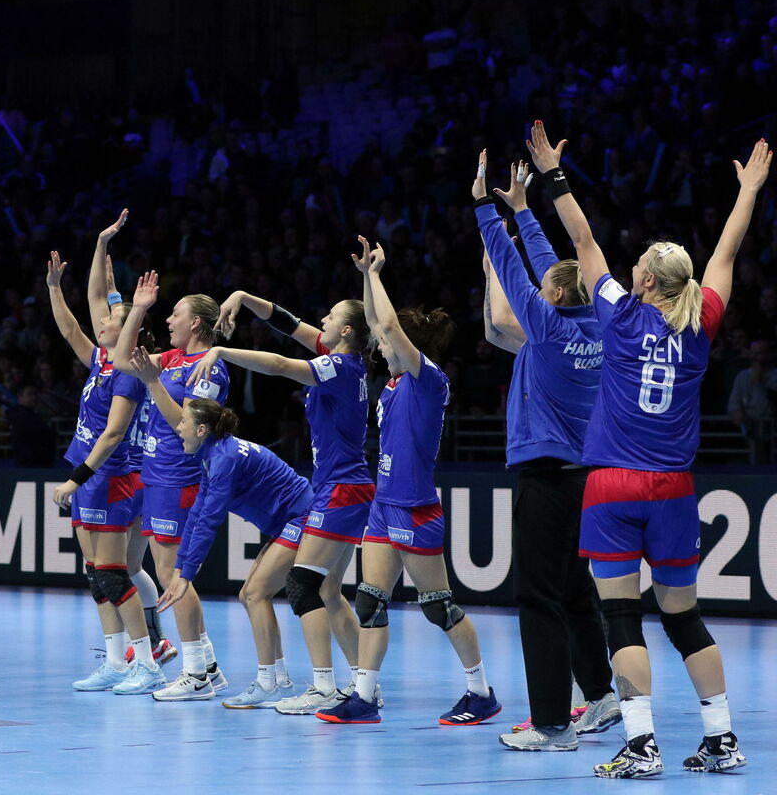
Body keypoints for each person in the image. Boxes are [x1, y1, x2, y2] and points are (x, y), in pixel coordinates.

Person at [528, 122, 767, 777]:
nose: (628, 268)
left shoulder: (620, 313)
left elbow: (583, 241)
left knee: (620, 616)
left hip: (613, 485)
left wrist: (553, 176)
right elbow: (726, 254)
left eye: (637, 266)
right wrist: (749, 191)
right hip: (674, 490)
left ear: (648, 283)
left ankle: (641, 745)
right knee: (684, 618)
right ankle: (721, 739)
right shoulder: (701, 322)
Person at [317, 238, 501, 726]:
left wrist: (378, 275)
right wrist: (365, 275)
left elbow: (389, 327)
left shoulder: (428, 379)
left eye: (386, 342)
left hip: (416, 510)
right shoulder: (395, 382)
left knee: (439, 608)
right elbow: (377, 323)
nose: (378, 345)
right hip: (384, 507)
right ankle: (363, 698)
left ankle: (480, 692)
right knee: (370, 601)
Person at [472, 152, 620, 750]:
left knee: (537, 598)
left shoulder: (549, 329)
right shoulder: (603, 328)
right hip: (591, 479)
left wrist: (486, 209)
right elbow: (542, 263)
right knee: (575, 591)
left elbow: (511, 269)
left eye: (546, 286)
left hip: (549, 477)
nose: (538, 288)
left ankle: (553, 724)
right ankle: (602, 695)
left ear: (554, 294)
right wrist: (523, 210)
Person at [196, 286, 373, 711]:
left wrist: (221, 352)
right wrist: (243, 297)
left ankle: (323, 686)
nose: (323, 320)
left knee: (302, 584)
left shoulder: (339, 365)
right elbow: (288, 324)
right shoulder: (342, 359)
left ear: (347, 331)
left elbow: (278, 364)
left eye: (331, 316)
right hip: (347, 488)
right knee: (329, 590)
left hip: (340, 489)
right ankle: (365, 683)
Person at [46, 211, 165, 696]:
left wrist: (75, 478)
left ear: (129, 329)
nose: (102, 320)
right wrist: (67, 276)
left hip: (110, 475)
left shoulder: (129, 372)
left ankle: (147, 662)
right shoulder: (101, 359)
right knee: (97, 574)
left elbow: (114, 434)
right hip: (92, 475)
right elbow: (80, 316)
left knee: (114, 573)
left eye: (113, 319)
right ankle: (116, 661)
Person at [138, 391, 310, 708]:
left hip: (305, 518)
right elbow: (197, 515)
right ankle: (280, 679)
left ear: (201, 429)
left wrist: (187, 576)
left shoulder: (223, 459)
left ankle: (267, 683)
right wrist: (180, 570)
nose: (178, 428)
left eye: (184, 422)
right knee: (251, 595)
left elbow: (210, 521)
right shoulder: (213, 454)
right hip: (289, 521)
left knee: (255, 594)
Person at [113, 271, 230, 700]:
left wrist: (151, 381)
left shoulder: (209, 366)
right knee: (168, 573)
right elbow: (121, 360)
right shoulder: (175, 358)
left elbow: (187, 423)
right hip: (156, 474)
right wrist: (139, 308)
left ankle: (196, 672)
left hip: (180, 477)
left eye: (175, 313)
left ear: (196, 322)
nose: (168, 320)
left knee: (173, 575)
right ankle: (208, 667)